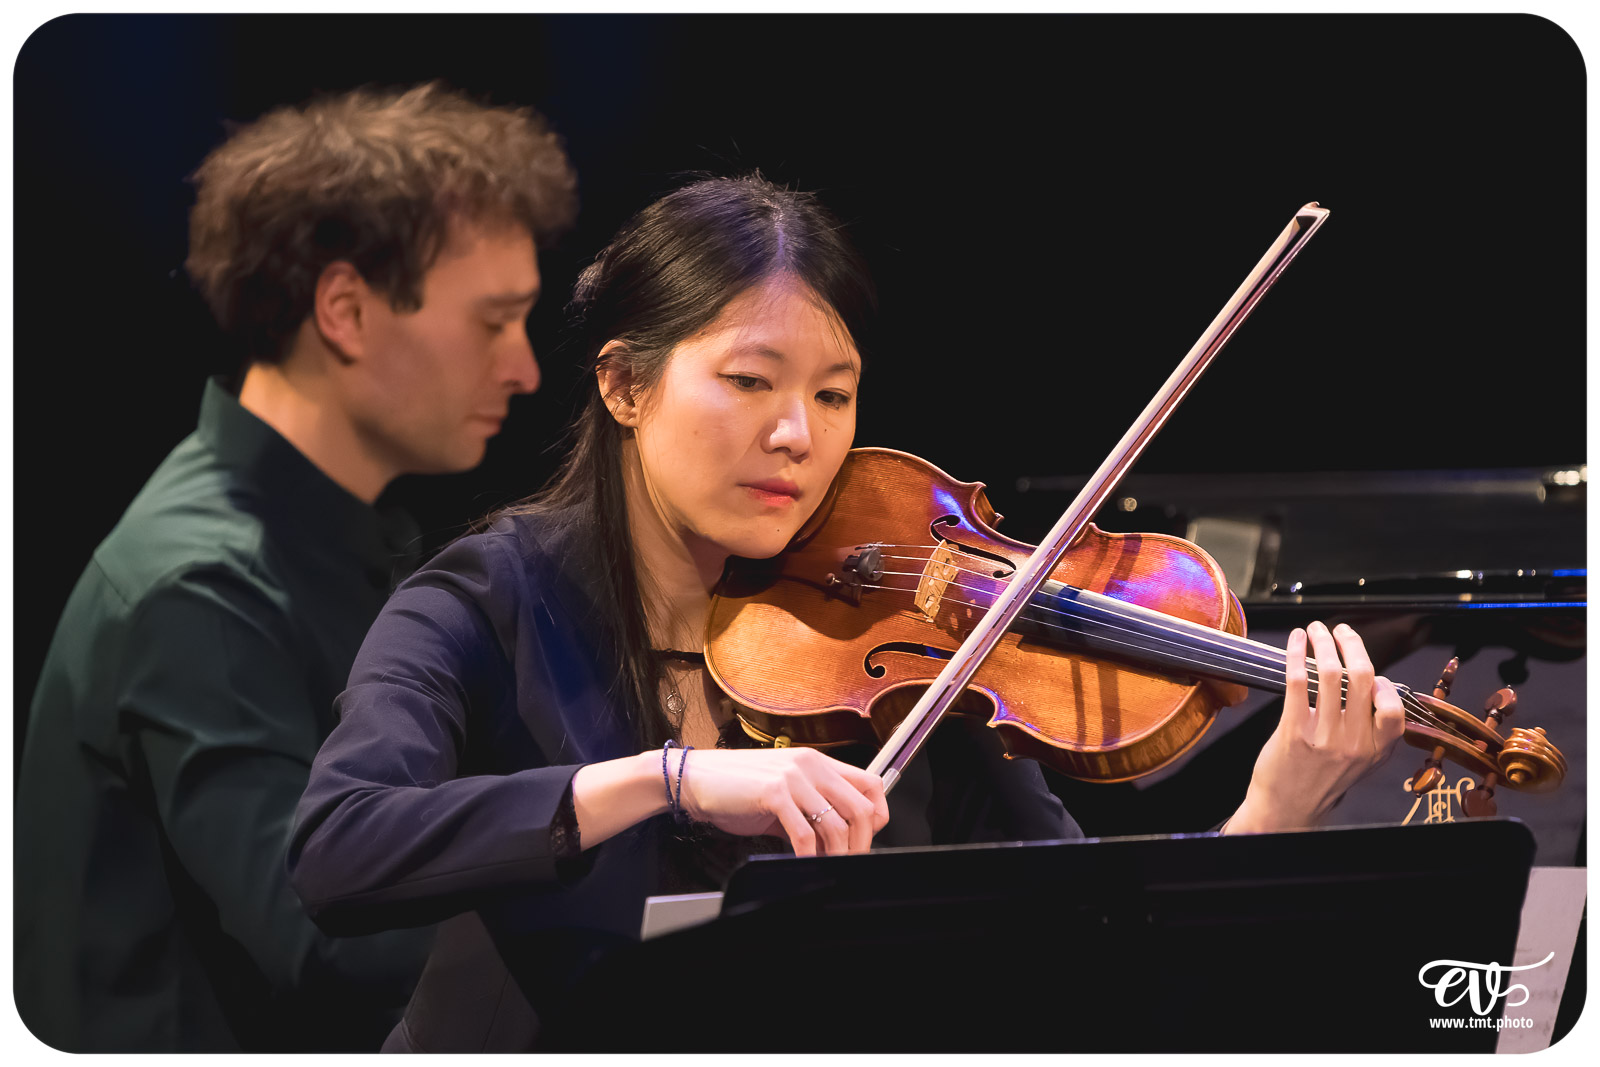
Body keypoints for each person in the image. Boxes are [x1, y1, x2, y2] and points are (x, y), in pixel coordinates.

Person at [288, 175, 1405, 1051]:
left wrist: (1274, 810)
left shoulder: (908, 641)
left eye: (832, 393)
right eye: (749, 381)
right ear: (625, 386)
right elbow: (338, 849)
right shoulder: (490, 596)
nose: (797, 434)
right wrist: (663, 778)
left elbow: (1095, 954)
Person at [14, 81, 578, 1053]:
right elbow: (336, 944)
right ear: (347, 310)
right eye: (494, 321)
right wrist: (610, 844)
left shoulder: (356, 535)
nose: (525, 368)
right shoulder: (199, 588)